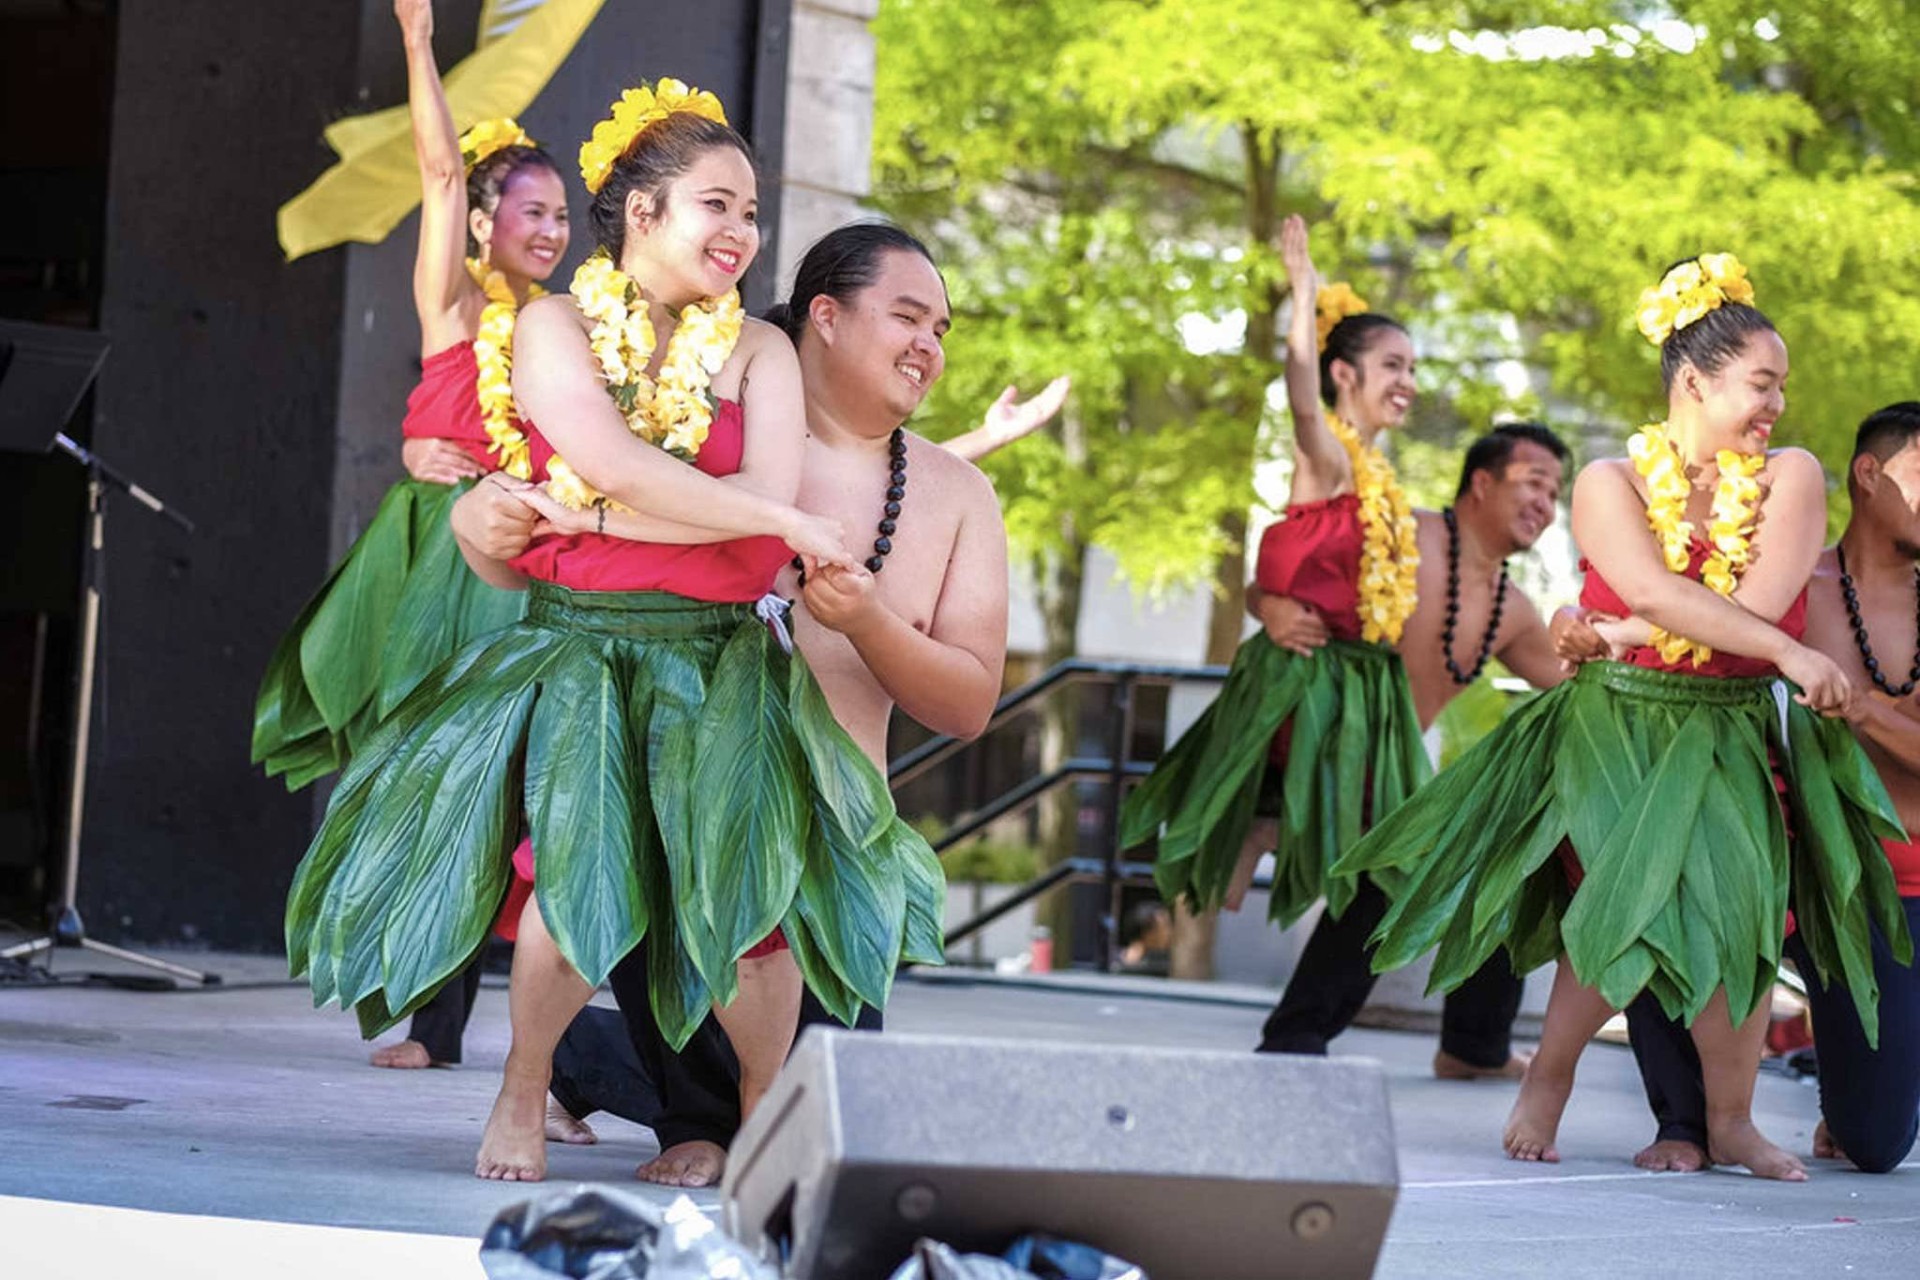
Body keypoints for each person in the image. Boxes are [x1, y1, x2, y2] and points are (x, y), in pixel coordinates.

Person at [285, 81, 940, 1184]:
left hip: (724, 657)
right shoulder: (555, 325)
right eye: (717, 205)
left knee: (756, 906)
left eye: (751, 212)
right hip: (585, 645)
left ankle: (763, 1112)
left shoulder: (760, 351)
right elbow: (615, 455)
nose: (742, 232)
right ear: (642, 211)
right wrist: (745, 516)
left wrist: (592, 517)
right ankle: (523, 1084)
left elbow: (751, 491)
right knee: (572, 884)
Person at [1332, 254, 1907, 1180]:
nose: (1776, 405)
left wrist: (1615, 631)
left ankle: (1731, 1120)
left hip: (1728, 720)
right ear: (1695, 381)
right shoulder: (1609, 481)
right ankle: (1551, 1076)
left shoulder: (1792, 475)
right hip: (1618, 722)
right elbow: (1651, 586)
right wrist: (1770, 652)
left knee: (1744, 913)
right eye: (1761, 383)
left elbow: (1756, 605)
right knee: (1627, 894)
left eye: (1781, 387)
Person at [465, 223, 1015, 1187]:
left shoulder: (957, 494)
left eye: (942, 329)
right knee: (714, 1093)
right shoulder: (698, 441)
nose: (929, 345)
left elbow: (969, 705)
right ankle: (664, 1102)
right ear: (826, 317)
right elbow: (551, 550)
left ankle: (596, 1061)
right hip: (676, 824)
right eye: (907, 317)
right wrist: (476, 521)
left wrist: (870, 621)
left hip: (828, 856)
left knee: (831, 1107)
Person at [252, 0, 571, 1070]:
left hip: (526, 559)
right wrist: (420, 44)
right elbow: (439, 174)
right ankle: (430, 1020)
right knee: (431, 766)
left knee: (504, 778)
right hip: (435, 558)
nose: (551, 230)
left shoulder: (570, 331)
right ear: (483, 223)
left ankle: (525, 1037)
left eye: (560, 214)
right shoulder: (457, 308)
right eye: (530, 211)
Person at [1118, 214, 1430, 970]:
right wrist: (1303, 293)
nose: (1409, 384)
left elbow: (1287, 581)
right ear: (1344, 375)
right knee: (1295, 827)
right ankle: (1180, 943)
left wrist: (1266, 601)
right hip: (1306, 681)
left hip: (1361, 683)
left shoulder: (1383, 480)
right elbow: (1300, 399)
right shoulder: (1327, 458)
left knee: (1320, 834)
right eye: (1393, 366)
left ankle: (1223, 940)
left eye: (1413, 369)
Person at [1617, 402, 1920, 1175]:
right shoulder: (1781, 586)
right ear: (1870, 474)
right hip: (1772, 859)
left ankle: (1854, 1094)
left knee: (1875, 1142)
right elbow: (1672, 634)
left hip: (1892, 886)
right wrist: (1576, 621)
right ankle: (1684, 1120)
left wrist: (1865, 710)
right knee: (1660, 862)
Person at [1252, 423, 1579, 1078]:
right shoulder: (1404, 534)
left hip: (1393, 782)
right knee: (1392, 865)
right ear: (1481, 482)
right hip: (1320, 756)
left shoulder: (1513, 610)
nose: (1546, 505)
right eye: (1534, 483)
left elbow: (1578, 686)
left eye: (1555, 493)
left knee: (1502, 853)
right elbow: (1284, 575)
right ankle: (1294, 1038)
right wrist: (1267, 605)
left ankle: (1472, 1047)